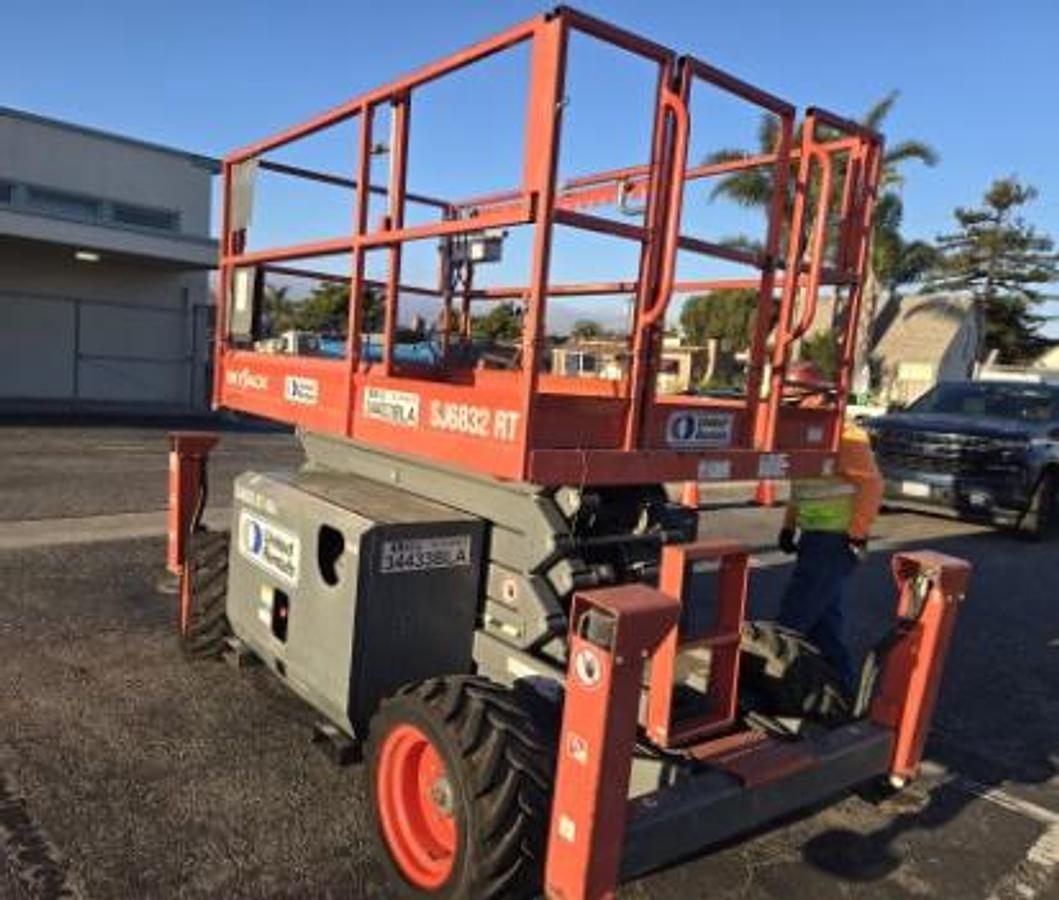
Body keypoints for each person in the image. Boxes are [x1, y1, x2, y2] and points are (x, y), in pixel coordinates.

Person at [776, 361, 884, 692]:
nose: (788, 409)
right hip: (815, 538)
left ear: (819, 397)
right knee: (825, 627)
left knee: (791, 621)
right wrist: (789, 525)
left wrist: (857, 535)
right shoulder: (808, 437)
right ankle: (844, 690)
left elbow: (871, 485)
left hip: (834, 541)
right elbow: (802, 486)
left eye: (794, 402)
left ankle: (765, 682)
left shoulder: (846, 437)